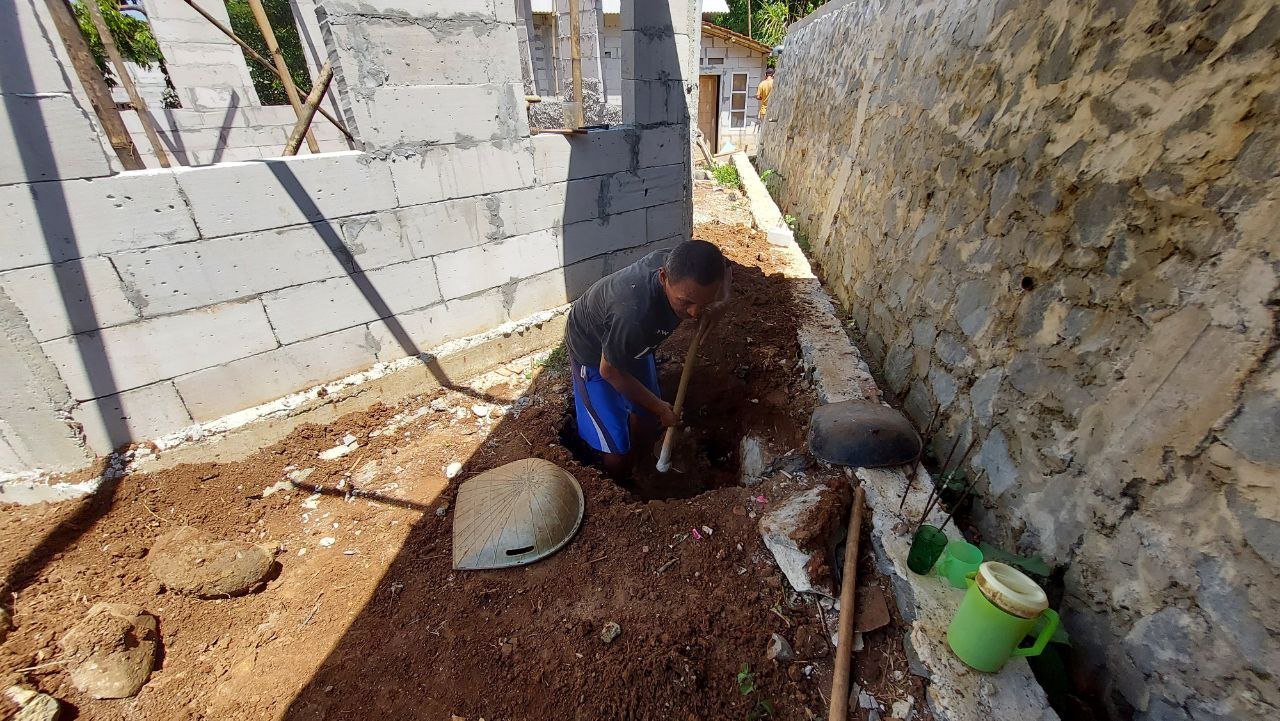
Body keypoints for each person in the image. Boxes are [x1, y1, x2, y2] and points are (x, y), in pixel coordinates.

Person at [565, 239, 730, 478]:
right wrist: (661, 407)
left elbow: (725, 268)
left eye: (703, 302)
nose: (694, 313)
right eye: (686, 302)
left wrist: (722, 302)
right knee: (617, 449)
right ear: (663, 277)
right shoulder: (634, 314)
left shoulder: (688, 265)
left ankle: (642, 466)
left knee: (647, 416)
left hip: (633, 346)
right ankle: (622, 483)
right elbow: (609, 371)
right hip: (593, 354)